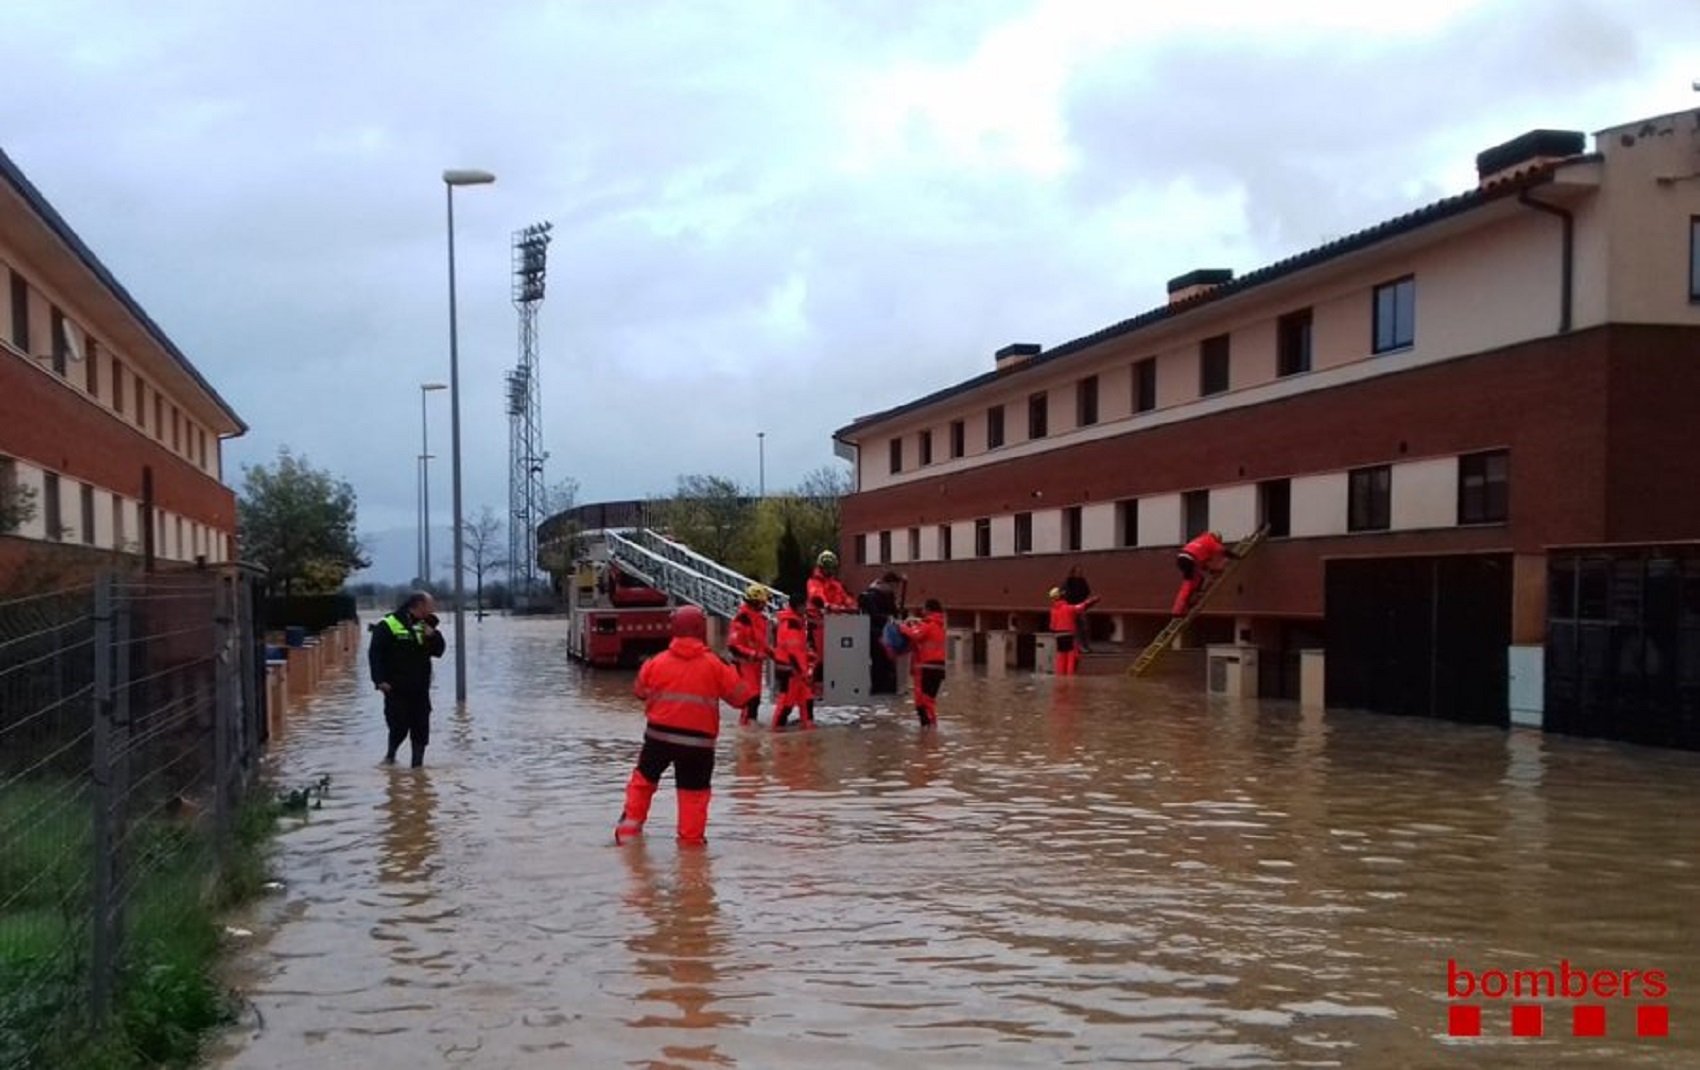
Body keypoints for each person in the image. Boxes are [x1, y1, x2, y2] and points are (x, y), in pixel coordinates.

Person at [614, 605, 755, 846]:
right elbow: (742, 698)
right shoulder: (715, 665)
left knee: (643, 782)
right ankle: (691, 852)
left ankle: (627, 834)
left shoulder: (655, 663)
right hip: (698, 744)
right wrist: (733, 669)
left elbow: (639, 692)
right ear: (701, 630)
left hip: (658, 738)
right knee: (693, 796)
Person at [368, 592, 447, 768]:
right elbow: (375, 654)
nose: (433, 609)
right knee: (399, 726)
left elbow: (439, 651)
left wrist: (432, 636)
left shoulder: (427, 625)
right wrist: (379, 680)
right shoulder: (388, 624)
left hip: (420, 688)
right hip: (395, 687)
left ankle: (417, 768)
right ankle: (390, 756)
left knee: (421, 728)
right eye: (430, 605)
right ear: (419, 605)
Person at [804, 550, 856, 691]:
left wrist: (852, 606)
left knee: (836, 656)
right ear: (821, 567)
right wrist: (827, 606)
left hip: (835, 625)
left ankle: (834, 685)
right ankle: (814, 686)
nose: (829, 571)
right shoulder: (814, 582)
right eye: (827, 568)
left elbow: (845, 598)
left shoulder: (835, 584)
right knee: (820, 657)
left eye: (831, 568)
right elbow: (816, 596)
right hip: (819, 625)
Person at [727, 584, 772, 726]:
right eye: (763, 602)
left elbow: (761, 641)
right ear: (755, 602)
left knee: (756, 698)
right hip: (744, 664)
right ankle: (747, 729)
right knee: (750, 698)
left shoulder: (758, 618)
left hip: (755, 665)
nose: (765, 605)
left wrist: (773, 653)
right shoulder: (742, 619)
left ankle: (750, 727)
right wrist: (753, 654)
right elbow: (733, 646)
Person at [898, 599, 947, 727]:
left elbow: (916, 635)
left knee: (925, 702)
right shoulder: (938, 625)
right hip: (936, 668)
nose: (922, 611)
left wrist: (902, 627)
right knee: (925, 702)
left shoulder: (929, 625)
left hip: (928, 668)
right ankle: (927, 732)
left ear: (929, 610)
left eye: (924, 609)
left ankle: (930, 730)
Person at [770, 595, 815, 729]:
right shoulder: (791, 624)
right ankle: (777, 730)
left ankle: (808, 727)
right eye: (804, 606)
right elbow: (793, 651)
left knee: (807, 700)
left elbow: (798, 649)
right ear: (797, 607)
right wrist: (803, 672)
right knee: (786, 703)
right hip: (790, 670)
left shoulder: (796, 622)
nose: (806, 608)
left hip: (797, 669)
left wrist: (808, 655)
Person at [1173, 530, 1239, 617]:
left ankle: (1188, 602)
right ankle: (1179, 610)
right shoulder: (1211, 540)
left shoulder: (1201, 540)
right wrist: (1236, 557)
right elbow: (1223, 551)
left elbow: (1201, 564)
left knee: (1198, 579)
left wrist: (1210, 570)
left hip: (1183, 558)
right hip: (1189, 560)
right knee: (1189, 584)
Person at [860, 571, 904, 694]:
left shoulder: (887, 595)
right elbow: (873, 615)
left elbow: (894, 613)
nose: (896, 589)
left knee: (887, 664)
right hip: (876, 634)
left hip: (886, 635)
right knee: (880, 663)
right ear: (889, 583)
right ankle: (879, 689)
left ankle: (887, 688)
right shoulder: (872, 595)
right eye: (895, 586)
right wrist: (889, 618)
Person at [1048, 586, 1098, 676]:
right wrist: (1091, 601)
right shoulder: (1068, 608)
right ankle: (1070, 679)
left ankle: (1060, 678)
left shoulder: (1053, 610)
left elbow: (1052, 626)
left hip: (1059, 636)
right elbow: (1080, 607)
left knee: (1061, 658)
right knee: (1071, 658)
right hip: (1069, 635)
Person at [1061, 565, 1093, 653]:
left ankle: (1085, 645)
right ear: (1074, 572)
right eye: (1078, 571)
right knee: (1075, 628)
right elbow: (1064, 593)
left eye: (1080, 571)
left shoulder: (1083, 581)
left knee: (1084, 627)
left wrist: (1084, 601)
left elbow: (1087, 591)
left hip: (1081, 606)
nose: (1080, 573)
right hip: (1072, 607)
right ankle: (1078, 646)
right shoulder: (1068, 581)